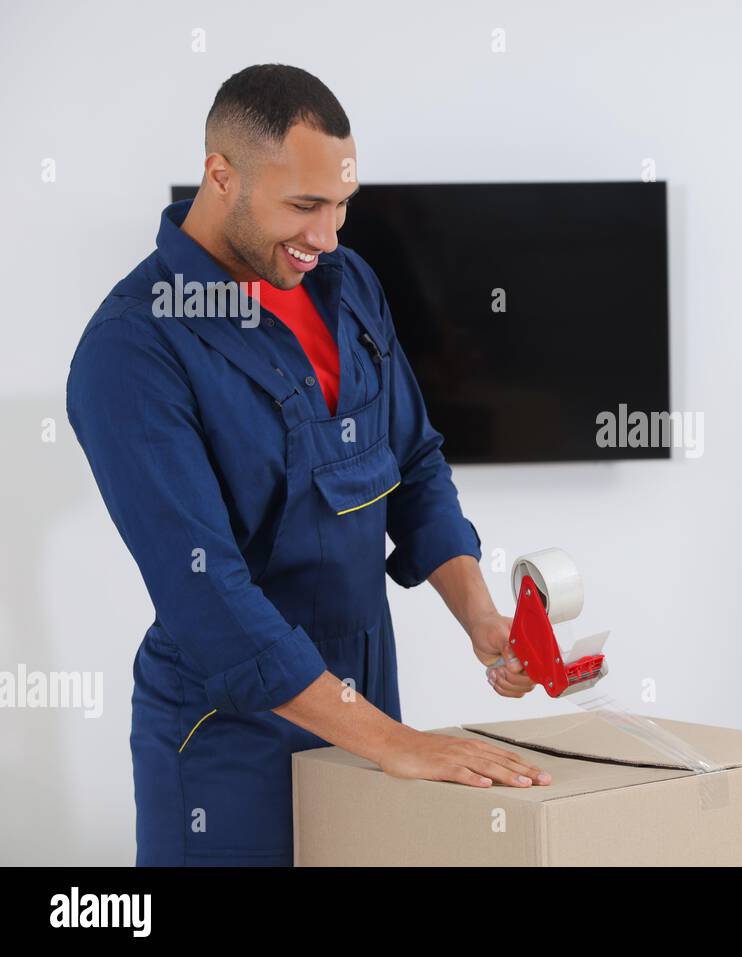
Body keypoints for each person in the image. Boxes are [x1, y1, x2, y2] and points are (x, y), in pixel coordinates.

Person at [66, 64, 549, 867]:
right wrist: (393, 742)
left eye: (341, 206)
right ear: (220, 176)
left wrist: (482, 619)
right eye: (304, 206)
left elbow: (415, 461)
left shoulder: (346, 283)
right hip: (227, 730)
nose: (327, 236)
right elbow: (208, 595)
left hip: (365, 695)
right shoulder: (133, 348)